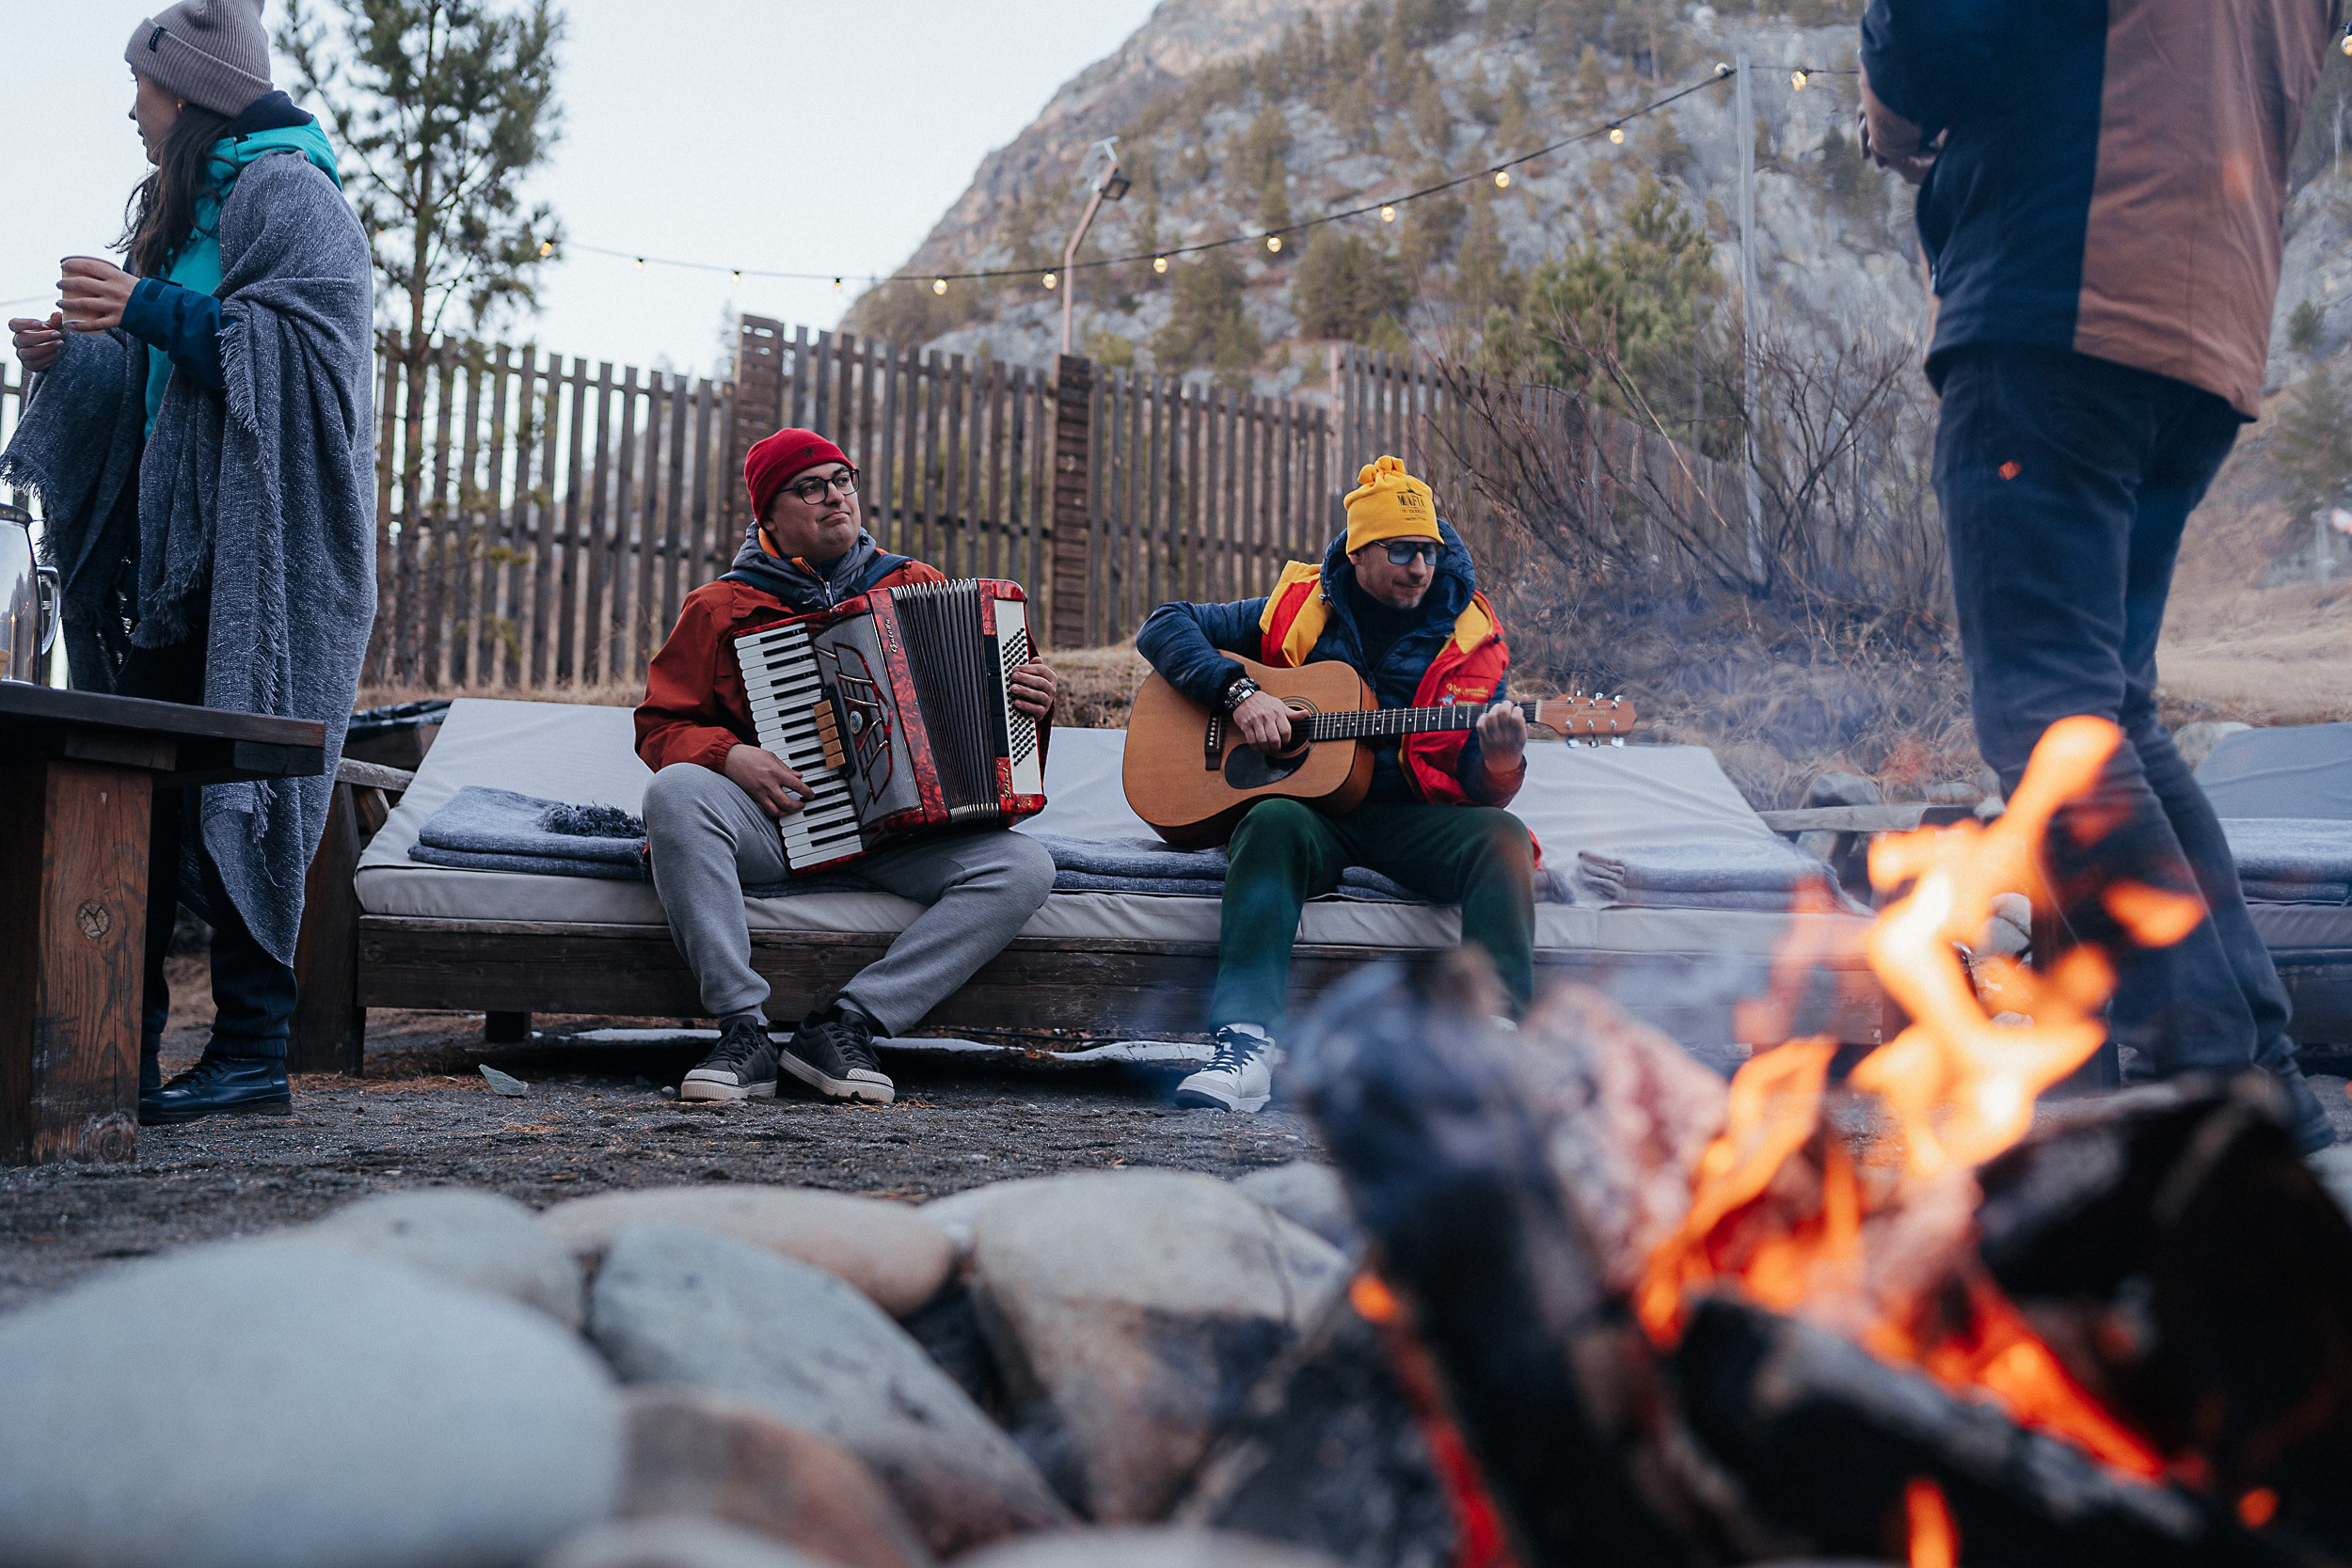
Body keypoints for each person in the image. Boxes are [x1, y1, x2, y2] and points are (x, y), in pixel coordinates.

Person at [1858, 1, 2341, 1148]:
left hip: (2061, 294)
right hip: (2204, 333)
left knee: (2047, 722)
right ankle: (2261, 1083)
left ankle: (2210, 1095)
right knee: (2110, 709)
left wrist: (1890, 95)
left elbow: (1934, 39)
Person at [3, 0, 375, 1125]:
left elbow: (305, 358)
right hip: (172, 561)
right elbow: (170, 371)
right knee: (137, 796)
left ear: (197, 91)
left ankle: (254, 1053)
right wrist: (83, 352)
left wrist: (149, 308)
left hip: (267, 559)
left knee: (250, 796)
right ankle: (119, 1045)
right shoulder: (189, 211)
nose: (132, 108)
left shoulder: (291, 194)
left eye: (145, 87)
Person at [635, 427, 1061, 1104]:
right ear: (769, 514)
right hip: (782, 825)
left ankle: (846, 1027)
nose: (835, 496)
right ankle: (743, 1031)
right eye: (811, 487)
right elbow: (660, 726)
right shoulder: (719, 607)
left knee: (1026, 867)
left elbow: (995, 735)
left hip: (908, 834)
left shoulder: (915, 584)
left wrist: (1032, 701)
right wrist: (730, 753)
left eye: (844, 480)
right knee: (677, 791)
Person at [1136, 454, 1534, 1113]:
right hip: (1314, 815)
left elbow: (1476, 781)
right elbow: (1164, 624)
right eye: (1402, 551)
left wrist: (1498, 761)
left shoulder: (1470, 637)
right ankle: (1247, 1043)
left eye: (1429, 552)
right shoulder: (1298, 606)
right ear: (1360, 552)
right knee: (1266, 822)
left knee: (1504, 836)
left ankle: (1493, 1046)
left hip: (1413, 817)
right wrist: (1238, 694)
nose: (1420, 568)